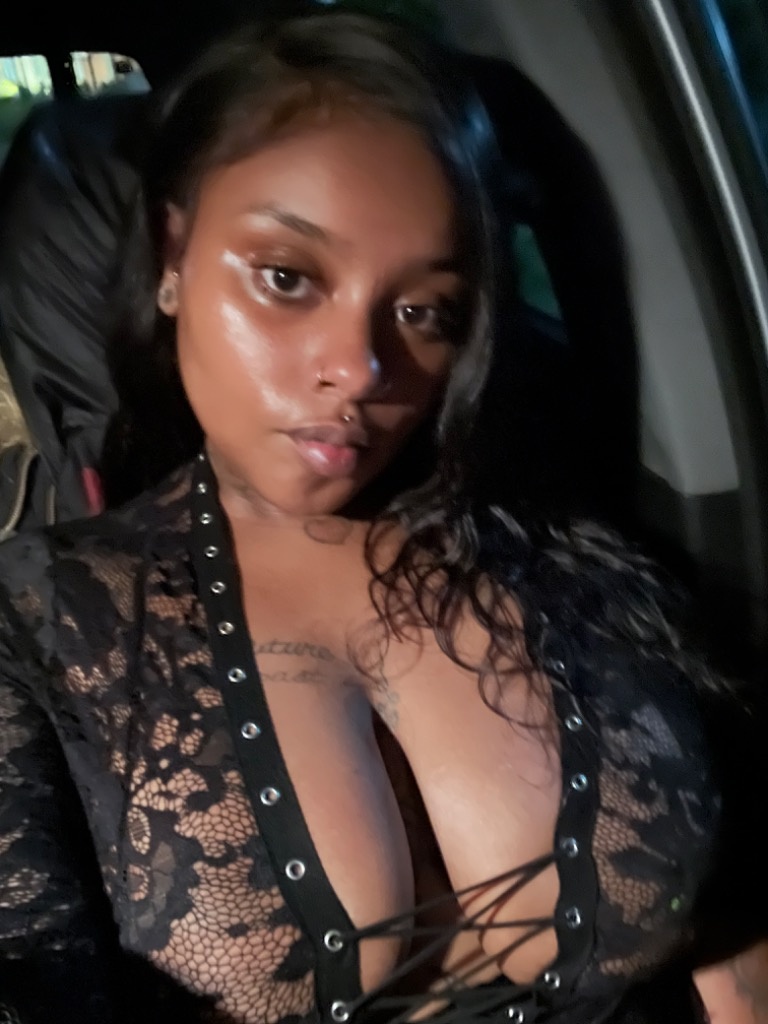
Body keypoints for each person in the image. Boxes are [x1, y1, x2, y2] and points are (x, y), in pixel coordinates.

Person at [0, 12, 765, 1024]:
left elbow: (732, 940)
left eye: (422, 312)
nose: (360, 371)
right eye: (287, 278)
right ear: (172, 253)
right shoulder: (42, 629)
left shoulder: (574, 566)